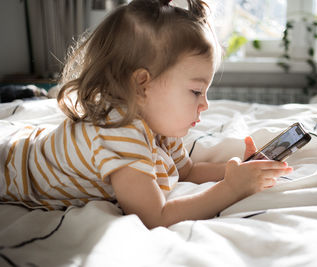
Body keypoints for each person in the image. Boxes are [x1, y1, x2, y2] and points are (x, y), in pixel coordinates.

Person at [0, 0, 292, 229]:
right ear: (142, 85)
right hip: (9, 166)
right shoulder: (117, 130)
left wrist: (241, 170)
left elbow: (186, 171)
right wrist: (231, 189)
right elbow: (155, 217)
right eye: (195, 92)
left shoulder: (160, 124)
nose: (205, 105)